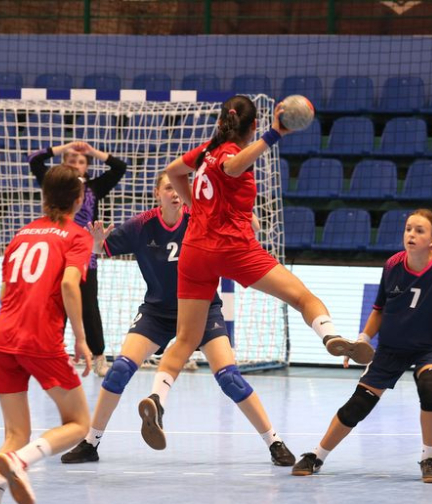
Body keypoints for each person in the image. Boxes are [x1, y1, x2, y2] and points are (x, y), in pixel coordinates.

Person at [136, 95, 373, 451]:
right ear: (253, 127)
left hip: (195, 250)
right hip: (234, 249)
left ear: (220, 122)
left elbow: (172, 171)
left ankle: (157, 398)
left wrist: (194, 206)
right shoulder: (232, 154)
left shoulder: (205, 151)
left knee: (185, 339)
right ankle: (330, 336)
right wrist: (275, 134)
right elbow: (232, 167)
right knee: (302, 297)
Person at [60, 171, 295, 466]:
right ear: (157, 194)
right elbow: (100, 247)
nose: (175, 193)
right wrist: (96, 243)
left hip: (203, 309)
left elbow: (251, 228)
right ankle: (90, 443)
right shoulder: (141, 226)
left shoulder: (201, 220)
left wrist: (238, 207)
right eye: (168, 188)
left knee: (230, 378)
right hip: (157, 312)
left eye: (178, 189)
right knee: (119, 369)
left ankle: (274, 442)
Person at [291, 209, 432, 483]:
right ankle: (317, 456)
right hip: (392, 347)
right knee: (358, 404)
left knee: (431, 387)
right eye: (408, 228)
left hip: (431, 346)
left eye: (419, 230)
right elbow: (379, 309)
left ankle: (429, 459)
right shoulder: (393, 265)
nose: (411, 234)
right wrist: (362, 341)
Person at [0, 165, 93, 504]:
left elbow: (6, 289)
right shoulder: (77, 236)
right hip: (39, 337)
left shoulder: (22, 234)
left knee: (14, 433)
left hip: (2, 337)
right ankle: (21, 461)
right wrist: (81, 338)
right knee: (79, 423)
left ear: (44, 196)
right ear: (79, 199)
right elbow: (69, 285)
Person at [28, 140, 127, 377]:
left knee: (89, 307)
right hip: (55, 251)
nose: (76, 163)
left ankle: (98, 356)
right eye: (71, 160)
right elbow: (34, 159)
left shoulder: (93, 187)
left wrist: (92, 151)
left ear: (87, 168)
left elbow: (120, 167)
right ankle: (53, 354)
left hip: (84, 254)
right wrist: (66, 147)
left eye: (81, 161)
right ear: (63, 163)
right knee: (55, 305)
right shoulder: (54, 183)